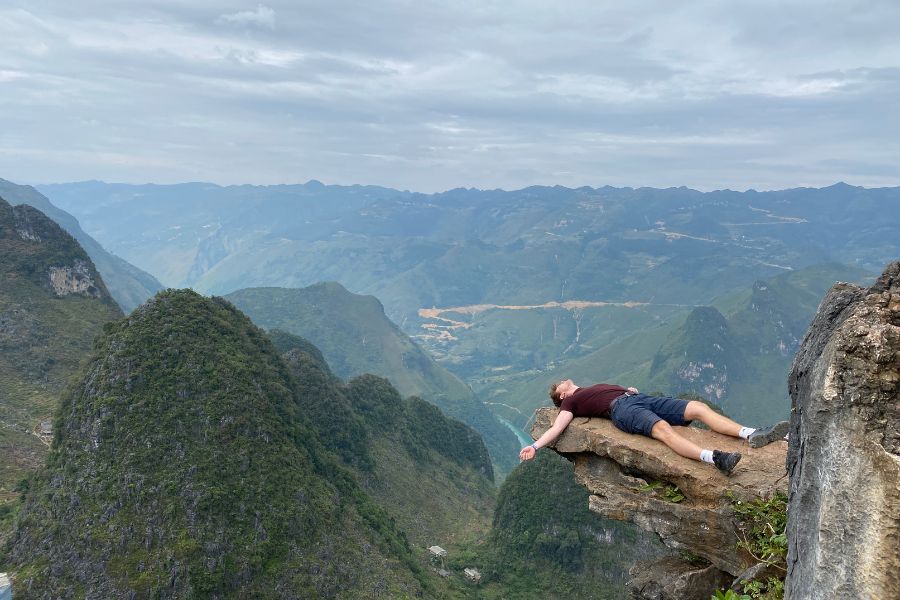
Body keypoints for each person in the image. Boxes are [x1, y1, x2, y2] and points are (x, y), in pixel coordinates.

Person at [518, 379, 790, 475]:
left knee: (695, 407)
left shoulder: (586, 389)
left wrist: (629, 390)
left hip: (637, 399)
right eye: (559, 386)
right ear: (562, 396)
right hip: (623, 411)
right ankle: (714, 458)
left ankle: (750, 433)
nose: (563, 381)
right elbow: (557, 429)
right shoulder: (569, 405)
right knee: (662, 429)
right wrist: (534, 446)